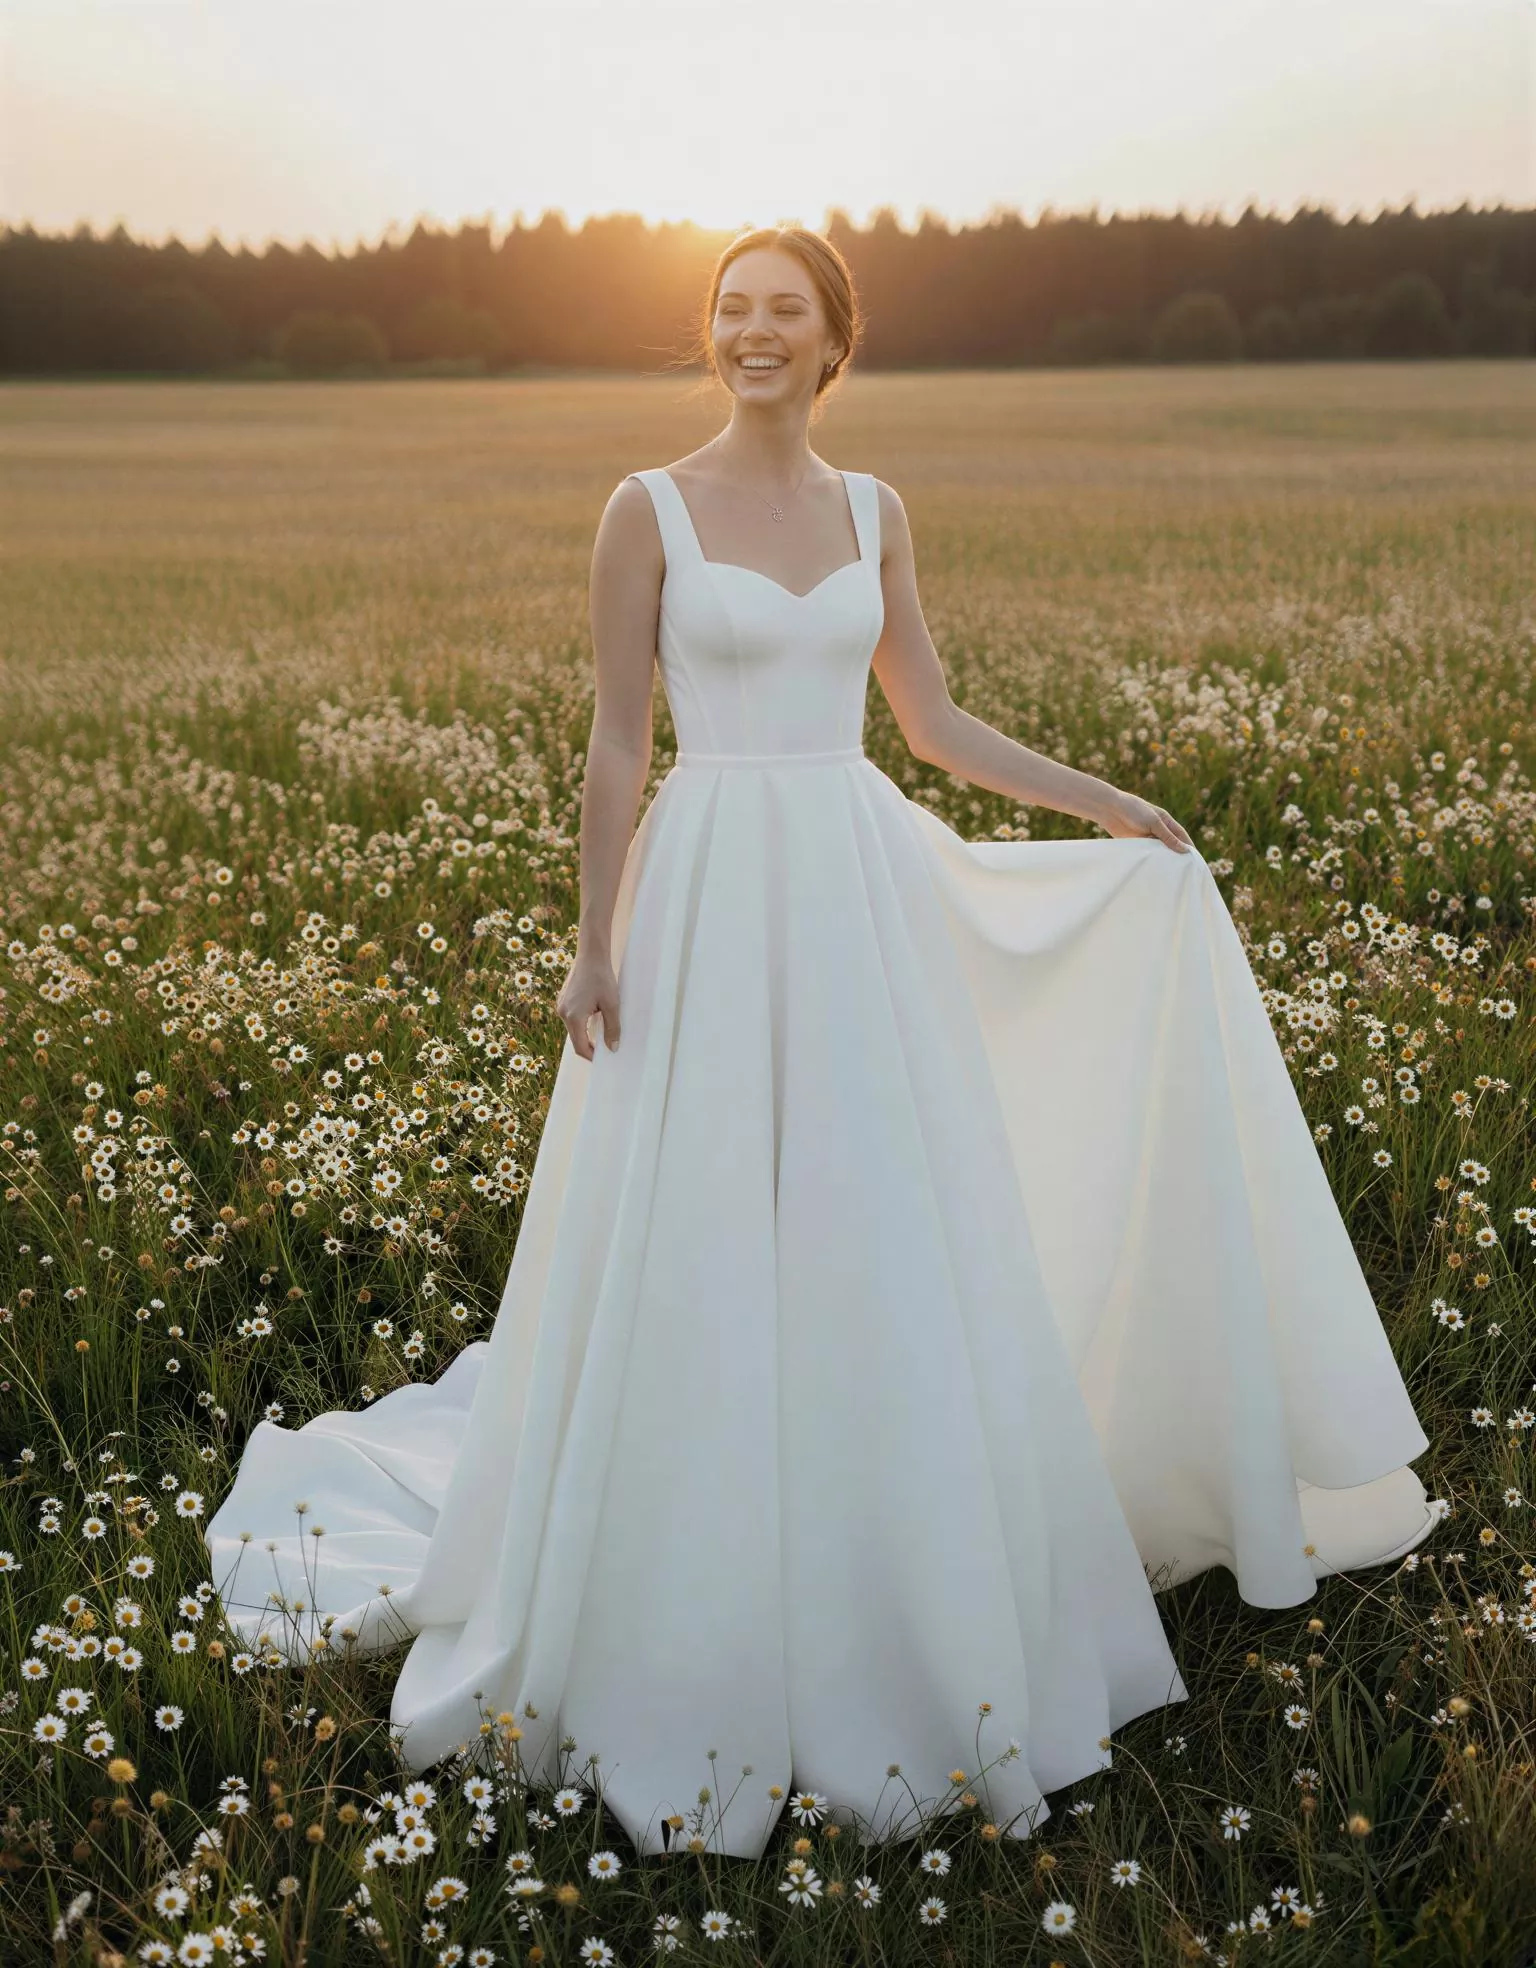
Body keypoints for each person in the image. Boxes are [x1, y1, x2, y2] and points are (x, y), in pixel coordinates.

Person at [207, 224, 1437, 1862]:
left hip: (854, 893)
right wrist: (592, 944)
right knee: (707, 1222)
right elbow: (616, 744)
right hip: (708, 890)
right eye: (731, 310)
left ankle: (892, 1576)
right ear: (708, 335)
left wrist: (1108, 802)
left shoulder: (876, 512)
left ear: (834, 341)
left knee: (872, 1225)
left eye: (785, 311)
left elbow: (929, 724)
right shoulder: (642, 508)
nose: (753, 333)